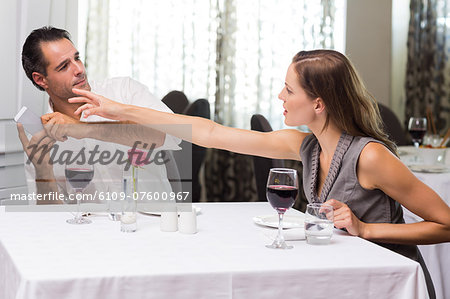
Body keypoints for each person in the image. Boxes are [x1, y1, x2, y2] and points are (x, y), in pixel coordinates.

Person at [69, 49, 449, 298]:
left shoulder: (370, 157)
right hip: (351, 278)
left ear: (318, 103)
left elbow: (445, 224)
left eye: (288, 90)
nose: (280, 97)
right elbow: (210, 132)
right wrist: (118, 109)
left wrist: (367, 230)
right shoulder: (304, 146)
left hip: (392, 284)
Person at [18, 26, 181, 206]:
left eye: (77, 58)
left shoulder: (125, 91)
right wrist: (44, 173)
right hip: (94, 233)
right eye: (64, 66)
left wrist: (85, 129)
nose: (79, 68)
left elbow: (173, 134)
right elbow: (49, 221)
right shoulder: (41, 142)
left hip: (154, 224)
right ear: (41, 79)